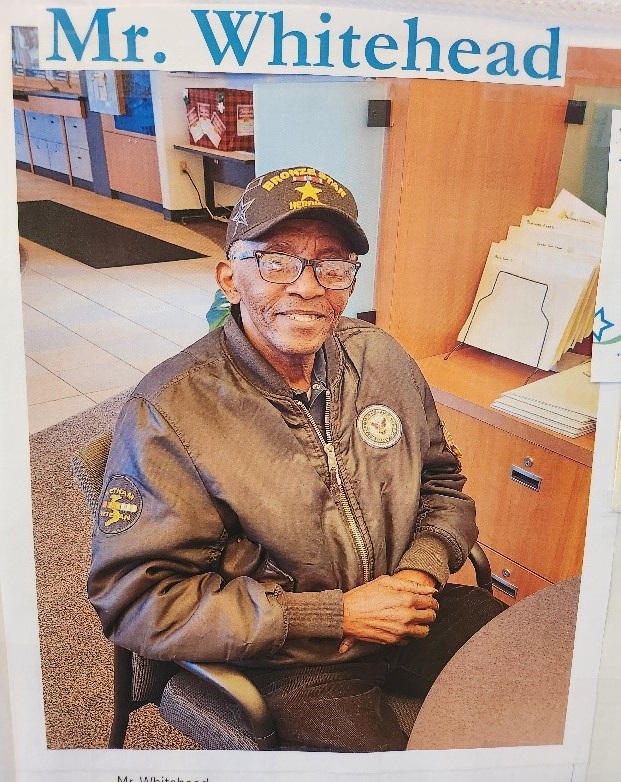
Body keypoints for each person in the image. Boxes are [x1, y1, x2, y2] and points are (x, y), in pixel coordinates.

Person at [88, 166, 504, 752]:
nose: (309, 288)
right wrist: (333, 616)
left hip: (407, 609)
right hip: (286, 655)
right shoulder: (170, 410)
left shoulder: (381, 357)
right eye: (277, 261)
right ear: (231, 278)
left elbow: (442, 483)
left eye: (332, 266)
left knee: (537, 686)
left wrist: (418, 572)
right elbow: (138, 600)